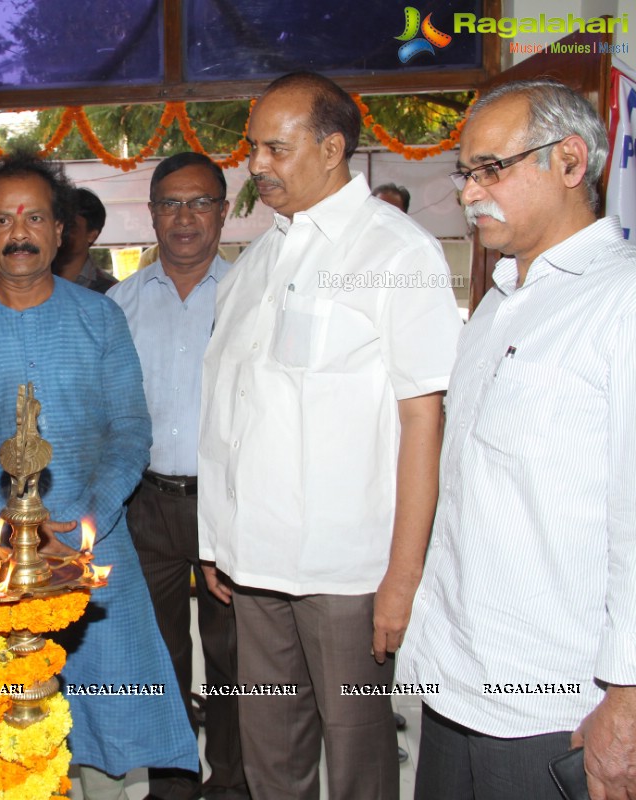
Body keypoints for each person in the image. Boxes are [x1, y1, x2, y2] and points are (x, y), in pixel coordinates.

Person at [197, 71, 462, 800]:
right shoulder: (256, 261)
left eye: (275, 150)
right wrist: (216, 541)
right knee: (270, 758)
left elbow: (423, 418)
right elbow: (231, 413)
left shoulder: (396, 255)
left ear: (332, 147)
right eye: (254, 149)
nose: (256, 167)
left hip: (349, 575)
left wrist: (403, 577)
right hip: (254, 565)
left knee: (358, 765)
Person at [0, 147, 196, 800]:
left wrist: (89, 515)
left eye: (35, 218)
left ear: (60, 230)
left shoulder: (100, 318)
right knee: (3, 725)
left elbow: (131, 432)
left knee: (105, 735)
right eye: (3, 219)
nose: (19, 233)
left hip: (94, 544)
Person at [397, 79, 636, 800]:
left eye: (491, 169)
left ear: (570, 161)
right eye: (465, 173)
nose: (470, 194)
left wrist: (625, 697)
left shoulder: (620, 303)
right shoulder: (498, 304)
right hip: (455, 682)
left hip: (558, 706)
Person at [106, 151, 248, 800]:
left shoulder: (253, 294)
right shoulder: (121, 304)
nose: (184, 218)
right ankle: (173, 783)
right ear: (151, 214)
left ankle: (232, 781)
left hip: (231, 504)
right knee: (157, 654)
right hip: (146, 504)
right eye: (170, 204)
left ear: (223, 212)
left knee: (234, 654)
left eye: (199, 203)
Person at [54, 186, 117, 292]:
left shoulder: (111, 290)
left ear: (92, 235)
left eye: (70, 226)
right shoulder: (32, 280)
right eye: (57, 224)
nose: (60, 232)